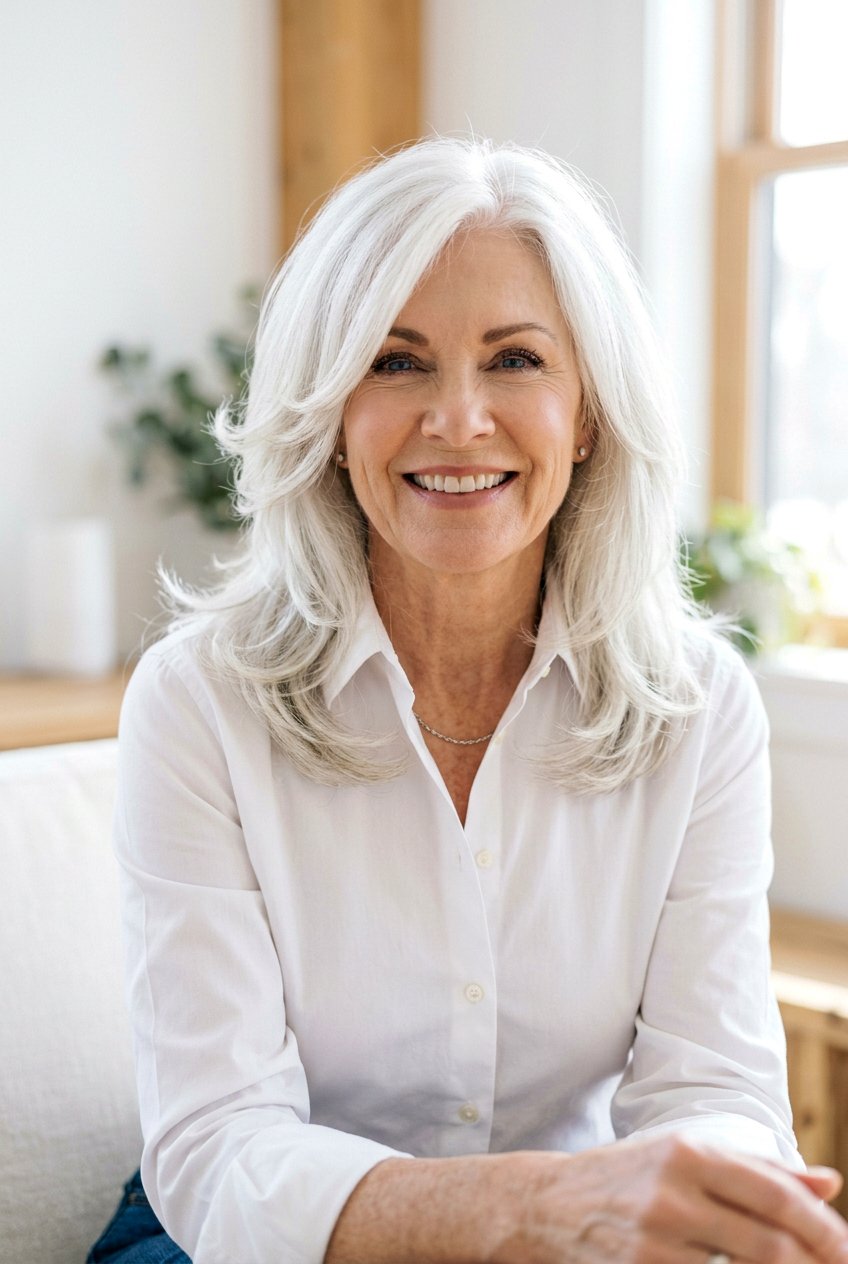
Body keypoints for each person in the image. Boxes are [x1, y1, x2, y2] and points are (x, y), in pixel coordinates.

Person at [90, 137, 848, 1264]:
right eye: (395, 363)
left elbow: (713, 1087)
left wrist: (714, 1205)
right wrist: (529, 1213)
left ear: (585, 412)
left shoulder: (697, 706)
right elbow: (217, 1149)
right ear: (327, 415)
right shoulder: (198, 702)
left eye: (514, 360)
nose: (456, 418)